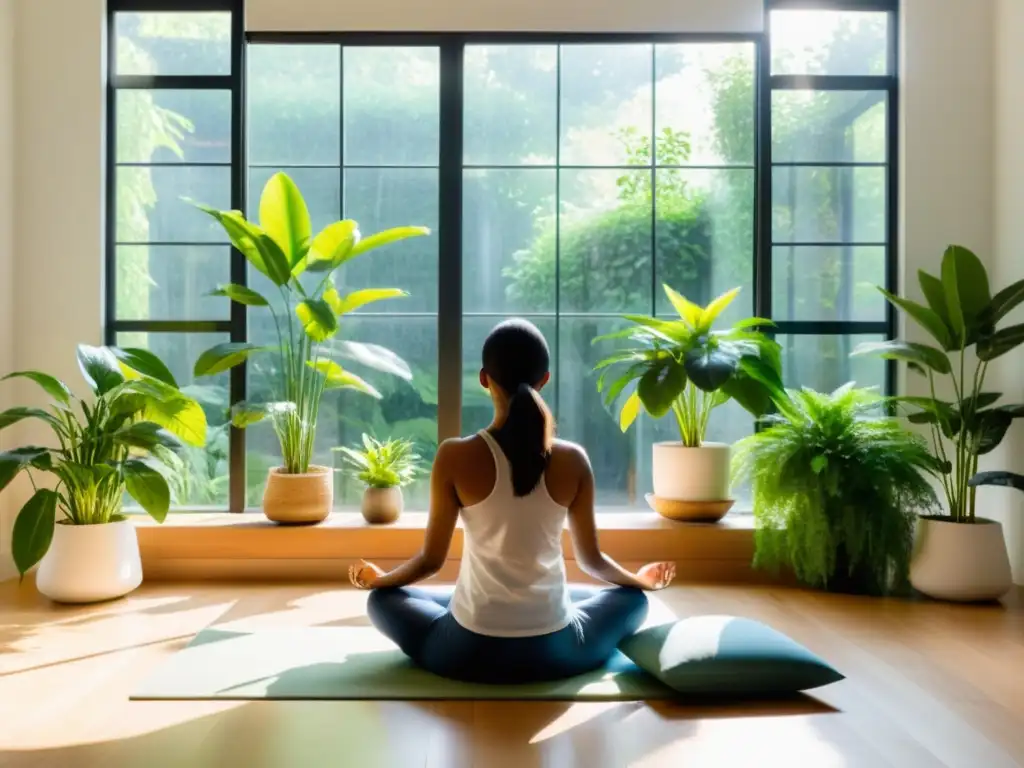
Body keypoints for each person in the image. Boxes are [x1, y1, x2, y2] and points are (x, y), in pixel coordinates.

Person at [348, 319, 676, 684]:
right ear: (545, 380)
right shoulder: (573, 460)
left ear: (484, 378)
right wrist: (638, 580)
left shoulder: (454, 456)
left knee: (382, 600)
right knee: (633, 601)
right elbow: (592, 560)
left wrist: (380, 580)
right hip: (556, 652)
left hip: (465, 652)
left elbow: (430, 562)